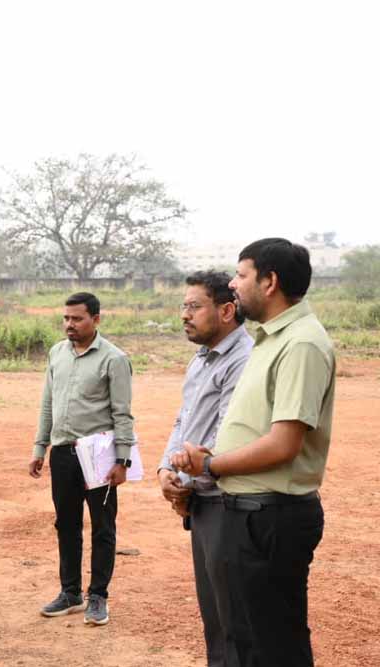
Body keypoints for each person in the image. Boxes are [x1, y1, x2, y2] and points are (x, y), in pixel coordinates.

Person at [172, 238, 335, 667]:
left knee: (273, 645)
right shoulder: (271, 339)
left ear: (269, 281)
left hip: (270, 516)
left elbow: (284, 444)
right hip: (247, 511)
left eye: (241, 275)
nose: (233, 283)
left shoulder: (300, 343)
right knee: (245, 640)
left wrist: (209, 465)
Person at [157, 271, 252, 667]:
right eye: (184, 306)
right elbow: (184, 421)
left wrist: (189, 475)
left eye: (194, 306)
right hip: (200, 498)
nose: (184, 315)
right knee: (214, 615)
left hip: (227, 503)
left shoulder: (244, 360)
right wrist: (167, 471)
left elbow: (228, 433)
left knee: (235, 619)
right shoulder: (200, 360)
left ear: (226, 310)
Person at [29, 292, 134, 627]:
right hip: (63, 453)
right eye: (66, 318)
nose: (69, 325)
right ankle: (70, 592)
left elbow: (122, 413)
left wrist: (122, 460)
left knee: (102, 526)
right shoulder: (57, 353)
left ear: (96, 319)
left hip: (98, 455)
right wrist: (40, 447)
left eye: (77, 319)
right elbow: (48, 403)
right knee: (66, 524)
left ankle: (98, 595)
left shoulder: (114, 359)